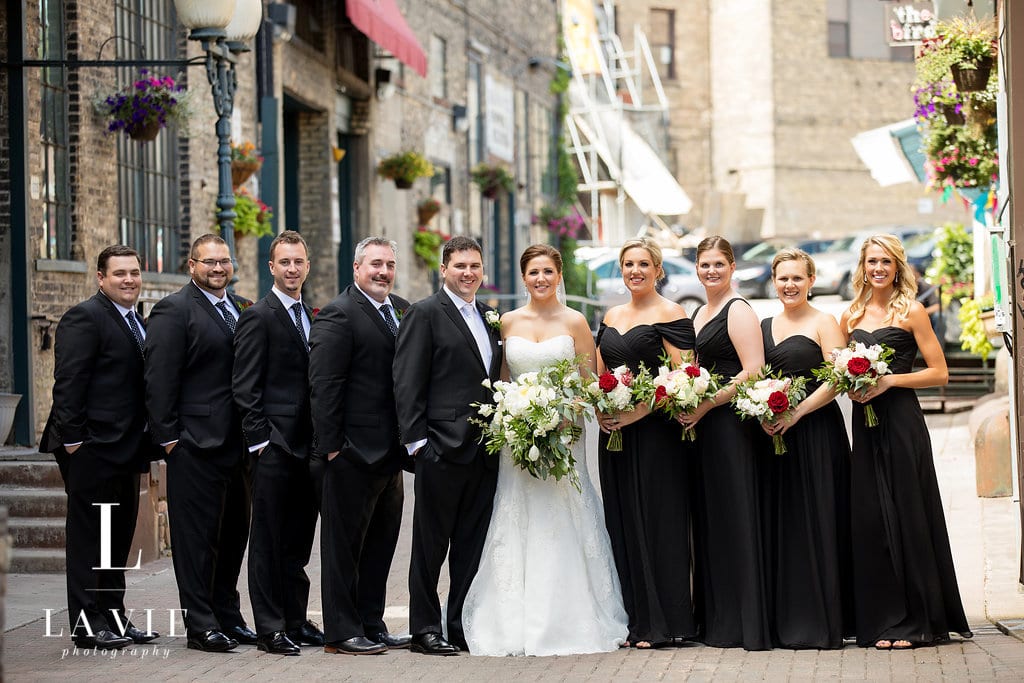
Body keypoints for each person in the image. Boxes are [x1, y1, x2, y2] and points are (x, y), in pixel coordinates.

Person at [462, 244, 628, 656]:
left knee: (563, 516)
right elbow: (502, 381)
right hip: (518, 439)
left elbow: (590, 382)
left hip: (566, 436)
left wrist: (567, 410)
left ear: (559, 276)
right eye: (533, 272)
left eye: (548, 272)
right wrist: (515, 417)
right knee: (518, 516)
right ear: (524, 277)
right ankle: (512, 616)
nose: (541, 279)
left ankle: (569, 614)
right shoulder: (508, 322)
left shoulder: (575, 322)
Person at [840, 234, 971, 650]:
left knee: (908, 513)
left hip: (900, 422)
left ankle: (917, 622)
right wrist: (852, 385)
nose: (878, 268)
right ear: (863, 267)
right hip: (866, 424)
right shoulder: (850, 315)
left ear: (897, 267)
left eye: (886, 262)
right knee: (872, 519)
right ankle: (882, 619)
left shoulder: (911, 311)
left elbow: (940, 373)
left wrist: (890, 379)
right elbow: (841, 373)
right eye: (871, 261)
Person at [40, 245, 161, 650]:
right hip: (91, 449)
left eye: (134, 272)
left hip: (126, 450)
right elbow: (69, 384)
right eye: (120, 273)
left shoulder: (135, 321)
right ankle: (86, 627)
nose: (129, 279)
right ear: (100, 278)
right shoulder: (84, 318)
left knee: (116, 540)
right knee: (90, 539)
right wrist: (75, 442)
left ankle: (113, 618)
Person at [145, 234, 257, 652]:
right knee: (196, 541)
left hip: (237, 446)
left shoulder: (241, 307)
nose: (217, 268)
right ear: (191, 265)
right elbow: (158, 379)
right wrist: (171, 440)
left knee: (232, 536)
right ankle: (201, 625)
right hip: (194, 445)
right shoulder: (174, 310)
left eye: (224, 261)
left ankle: (228, 614)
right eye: (208, 261)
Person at [393, 235, 502, 656]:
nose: (468, 273)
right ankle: (424, 628)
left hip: (484, 451)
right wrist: (419, 444)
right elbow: (407, 381)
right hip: (440, 448)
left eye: (475, 266)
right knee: (430, 545)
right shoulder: (423, 314)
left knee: (471, 545)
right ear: (444, 270)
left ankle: (456, 623)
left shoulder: (490, 317)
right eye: (460, 266)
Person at [308, 237, 412, 656]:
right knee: (343, 548)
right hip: (351, 454)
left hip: (391, 454)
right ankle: (340, 631)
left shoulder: (401, 309)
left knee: (381, 545)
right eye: (374, 264)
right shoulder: (338, 314)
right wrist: (333, 448)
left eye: (389, 264)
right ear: (356, 268)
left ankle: (371, 621)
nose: (383, 271)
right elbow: (324, 385)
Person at [594, 237, 698, 649]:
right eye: (628, 264)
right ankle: (637, 620)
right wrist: (600, 405)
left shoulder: (671, 313)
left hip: (657, 435)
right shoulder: (612, 314)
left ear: (658, 269)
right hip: (614, 436)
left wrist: (637, 412)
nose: (635, 271)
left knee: (659, 521)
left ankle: (668, 622)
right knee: (623, 520)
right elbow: (599, 373)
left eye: (643, 264)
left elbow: (685, 376)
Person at [232, 230, 323, 656]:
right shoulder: (259, 315)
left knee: (298, 541)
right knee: (267, 540)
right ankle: (269, 626)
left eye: (298, 262)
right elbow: (245, 387)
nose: (292, 269)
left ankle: (295, 619)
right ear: (272, 267)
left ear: (307, 265)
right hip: (273, 447)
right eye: (284, 262)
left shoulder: (312, 314)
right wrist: (260, 444)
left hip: (308, 447)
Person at [679, 235, 771, 651]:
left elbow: (754, 369)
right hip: (704, 428)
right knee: (710, 519)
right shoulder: (699, 312)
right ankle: (717, 619)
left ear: (732, 267)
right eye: (704, 265)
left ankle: (744, 621)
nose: (711, 271)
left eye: (719, 264)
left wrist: (708, 403)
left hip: (731, 426)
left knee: (735, 516)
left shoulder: (738, 310)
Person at [758, 248, 853, 649]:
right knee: (785, 524)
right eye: (783, 278)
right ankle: (788, 621)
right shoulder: (764, 325)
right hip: (775, 437)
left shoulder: (824, 322)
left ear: (811, 281)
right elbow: (756, 376)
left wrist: (797, 412)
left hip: (816, 434)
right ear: (773, 281)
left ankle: (825, 622)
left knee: (821, 518)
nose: (790, 285)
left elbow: (839, 379)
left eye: (798, 278)